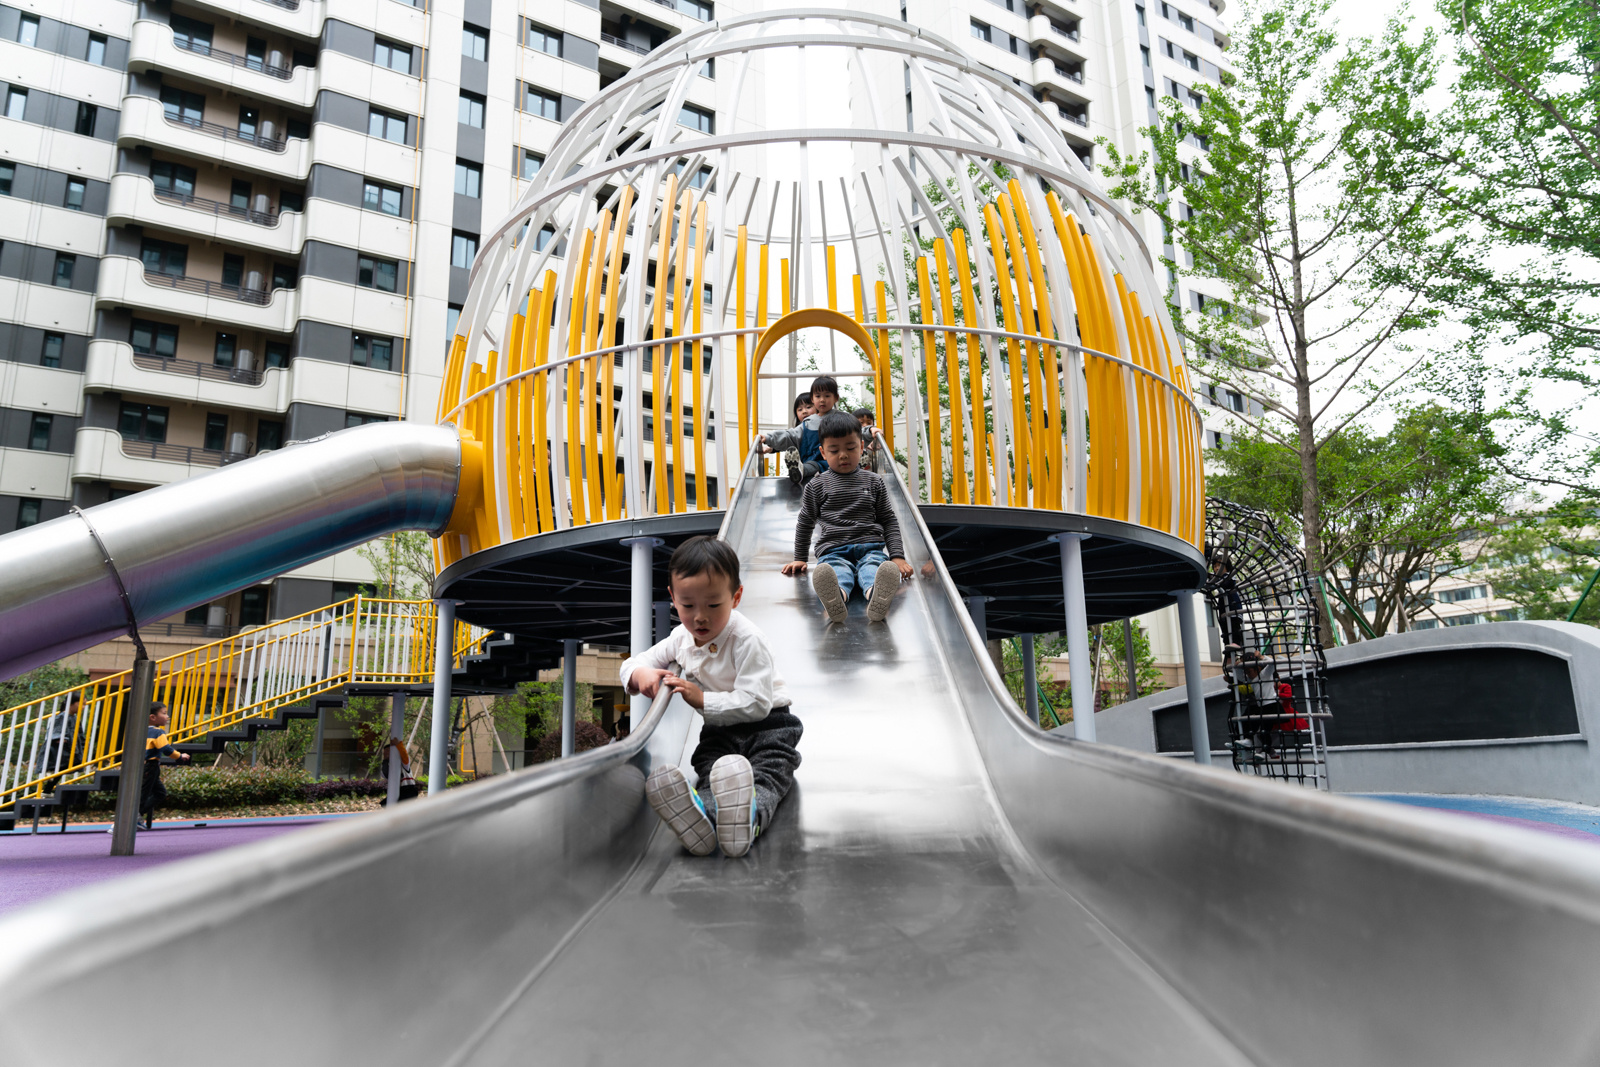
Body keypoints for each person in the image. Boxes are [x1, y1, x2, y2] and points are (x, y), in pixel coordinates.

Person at [627, 536, 801, 858]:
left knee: (769, 773)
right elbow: (636, 662)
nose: (700, 617)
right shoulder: (680, 638)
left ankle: (750, 815)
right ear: (673, 598)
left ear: (736, 598)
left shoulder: (747, 640)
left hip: (770, 726)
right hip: (719, 731)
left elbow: (757, 702)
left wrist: (702, 700)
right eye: (688, 605)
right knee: (710, 769)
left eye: (713, 605)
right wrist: (641, 675)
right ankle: (703, 817)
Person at [782, 411, 913, 624]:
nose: (843, 455)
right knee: (835, 572)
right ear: (823, 453)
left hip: (870, 547)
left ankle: (877, 595)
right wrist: (800, 558)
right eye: (834, 450)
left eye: (850, 448)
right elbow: (805, 523)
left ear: (861, 447)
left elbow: (888, 519)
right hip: (834, 549)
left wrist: (897, 556)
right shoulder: (816, 486)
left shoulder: (874, 481)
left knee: (874, 568)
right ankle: (836, 599)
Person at [760, 375, 840, 488]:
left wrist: (867, 432)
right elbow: (791, 436)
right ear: (813, 399)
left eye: (827, 396)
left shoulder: (842, 420)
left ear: (836, 398)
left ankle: (858, 462)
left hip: (837, 463)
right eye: (818, 396)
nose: (822, 400)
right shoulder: (808, 424)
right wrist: (769, 438)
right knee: (812, 465)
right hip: (814, 465)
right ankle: (799, 471)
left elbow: (858, 432)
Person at [142, 701, 190, 829]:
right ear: (153, 717)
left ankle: (135, 816)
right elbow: (166, 748)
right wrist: (179, 756)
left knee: (159, 792)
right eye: (164, 713)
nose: (167, 716)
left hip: (144, 766)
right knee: (145, 794)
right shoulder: (158, 732)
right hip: (150, 766)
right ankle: (130, 818)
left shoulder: (142, 731)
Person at [378, 736, 419, 805]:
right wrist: (385, 761)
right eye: (384, 752)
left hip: (409, 790)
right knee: (385, 804)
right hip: (398, 790)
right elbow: (386, 774)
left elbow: (404, 755)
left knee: (397, 806)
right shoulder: (387, 766)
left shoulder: (403, 764)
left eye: (388, 751)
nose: (386, 753)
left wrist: (398, 744)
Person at [852, 407, 885, 472]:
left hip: (869, 472)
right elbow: (863, 432)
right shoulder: (853, 436)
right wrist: (870, 429)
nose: (865, 425)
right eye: (861, 423)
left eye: (869, 423)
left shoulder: (873, 437)